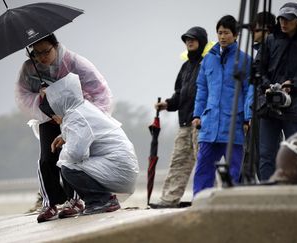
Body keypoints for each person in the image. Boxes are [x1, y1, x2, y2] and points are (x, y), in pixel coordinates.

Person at [15, 33, 113, 222]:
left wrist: (90, 114)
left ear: (56, 46)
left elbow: (99, 91)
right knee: (46, 159)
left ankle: (74, 200)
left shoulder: (74, 63)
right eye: (37, 53)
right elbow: (23, 95)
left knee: (70, 156)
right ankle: (50, 202)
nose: (42, 57)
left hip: (73, 117)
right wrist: (41, 96)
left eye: (46, 51)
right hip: (48, 118)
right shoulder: (29, 69)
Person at [45, 74, 139, 215]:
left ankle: (101, 200)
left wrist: (63, 149)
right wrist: (64, 136)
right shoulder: (82, 108)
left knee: (68, 166)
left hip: (118, 167)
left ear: (59, 103)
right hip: (122, 165)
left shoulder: (75, 117)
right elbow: (88, 131)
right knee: (69, 163)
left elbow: (77, 154)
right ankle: (102, 199)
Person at [192, 15, 253, 195]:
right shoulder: (208, 60)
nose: (222, 37)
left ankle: (234, 204)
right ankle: (201, 202)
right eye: (219, 33)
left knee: (235, 170)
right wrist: (197, 115)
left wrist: (248, 117)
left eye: (226, 33)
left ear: (236, 35)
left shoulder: (244, 60)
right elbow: (202, 89)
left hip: (234, 123)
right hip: (209, 124)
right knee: (203, 168)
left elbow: (249, 90)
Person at [149, 27, 208, 208]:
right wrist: (167, 104)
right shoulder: (185, 66)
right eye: (187, 39)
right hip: (184, 124)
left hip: (202, 124)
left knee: (204, 164)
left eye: (193, 39)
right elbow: (179, 94)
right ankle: (168, 200)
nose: (189, 42)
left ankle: (208, 199)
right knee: (178, 163)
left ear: (201, 41)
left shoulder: (208, 64)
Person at [255, 2, 297, 181]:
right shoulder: (270, 40)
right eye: (281, 18)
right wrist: (267, 86)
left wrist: (294, 84)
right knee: (266, 154)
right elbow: (258, 68)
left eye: (289, 19)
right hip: (269, 106)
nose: (284, 22)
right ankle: (268, 191)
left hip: (296, 108)